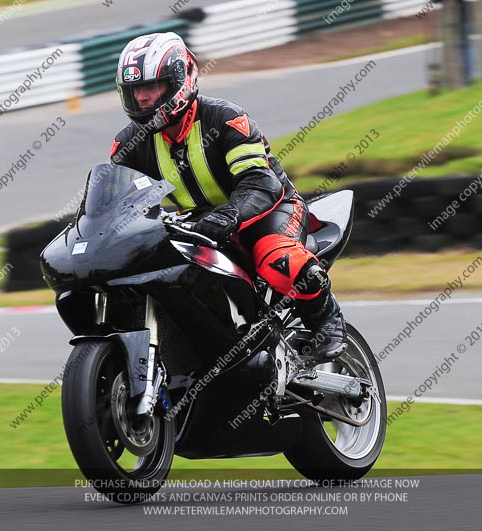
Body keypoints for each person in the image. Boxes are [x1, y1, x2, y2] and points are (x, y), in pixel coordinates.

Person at [108, 32, 346, 361]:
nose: (143, 99)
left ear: (182, 80)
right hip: (199, 223)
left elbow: (260, 183)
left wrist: (230, 215)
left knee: (278, 259)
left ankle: (327, 319)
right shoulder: (129, 144)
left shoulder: (226, 119)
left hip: (266, 210)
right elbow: (114, 201)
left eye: (152, 88)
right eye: (135, 92)